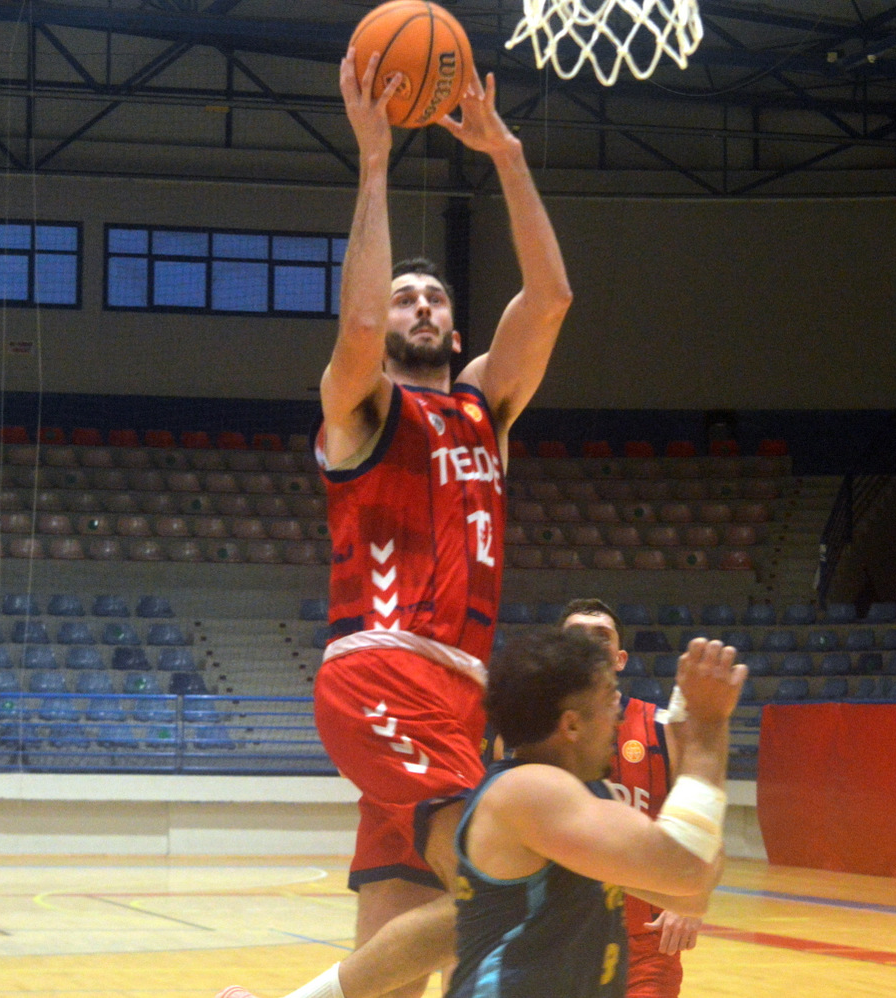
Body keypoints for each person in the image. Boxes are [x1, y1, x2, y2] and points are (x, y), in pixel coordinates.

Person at [273, 39, 571, 998]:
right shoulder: (362, 408)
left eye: (436, 295)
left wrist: (509, 158)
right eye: (407, 296)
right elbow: (357, 333)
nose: (423, 305)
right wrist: (372, 163)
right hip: (384, 670)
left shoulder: (487, 405)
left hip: (462, 699)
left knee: (400, 945)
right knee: (505, 879)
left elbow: (553, 296)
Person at [445, 629, 741, 998]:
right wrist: (707, 725)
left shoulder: (584, 797)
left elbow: (691, 892)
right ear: (571, 724)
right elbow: (690, 866)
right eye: (607, 701)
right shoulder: (530, 791)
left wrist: (688, 736)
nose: (618, 716)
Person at [561, 599, 704, 998]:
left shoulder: (660, 728)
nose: (590, 643)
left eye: (602, 637)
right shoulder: (532, 733)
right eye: (578, 635)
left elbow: (698, 824)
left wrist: (687, 901)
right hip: (558, 934)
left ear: (620, 658)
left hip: (645, 938)